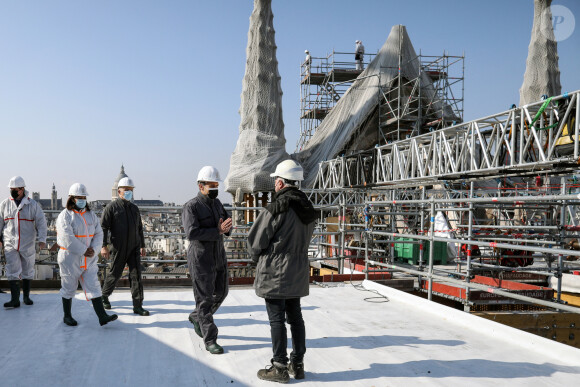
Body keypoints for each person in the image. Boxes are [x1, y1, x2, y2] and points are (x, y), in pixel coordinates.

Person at [247, 159, 318, 383]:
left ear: (280, 183)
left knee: (276, 319)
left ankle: (279, 367)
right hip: (297, 270)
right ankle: (298, 364)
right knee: (295, 317)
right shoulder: (308, 208)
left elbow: (256, 241)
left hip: (275, 271)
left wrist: (256, 260)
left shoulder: (277, 207)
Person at [182, 166, 232, 355]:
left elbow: (226, 224)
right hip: (201, 258)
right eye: (211, 185)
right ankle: (210, 339)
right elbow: (192, 232)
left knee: (221, 292)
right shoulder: (191, 206)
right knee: (204, 300)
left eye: (216, 184)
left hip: (218, 255)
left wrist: (226, 228)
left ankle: (196, 317)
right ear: (200, 186)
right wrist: (217, 231)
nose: (214, 188)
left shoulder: (218, 204)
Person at [56, 183, 117, 326]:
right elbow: (67, 238)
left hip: (88, 258)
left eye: (84, 197)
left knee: (94, 286)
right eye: (79, 197)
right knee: (68, 287)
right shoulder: (65, 216)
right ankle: (67, 316)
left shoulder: (91, 215)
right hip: (70, 258)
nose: (82, 200)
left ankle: (102, 316)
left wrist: (94, 250)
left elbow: (99, 233)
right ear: (72, 198)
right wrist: (84, 249)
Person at [100, 176, 149, 316]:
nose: (129, 192)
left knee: (136, 276)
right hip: (118, 246)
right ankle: (104, 296)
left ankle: (138, 305)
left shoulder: (134, 208)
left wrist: (142, 245)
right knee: (115, 273)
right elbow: (103, 227)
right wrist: (104, 246)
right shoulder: (111, 208)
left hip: (134, 246)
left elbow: (139, 228)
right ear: (119, 191)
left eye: (131, 190)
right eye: (126, 190)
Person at [0, 176, 47, 308]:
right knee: (12, 269)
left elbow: (41, 223)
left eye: (15, 189)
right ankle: (15, 299)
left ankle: (26, 297)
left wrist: (42, 239)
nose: (13, 191)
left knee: (27, 269)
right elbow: (0, 222)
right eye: (11, 189)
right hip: (10, 242)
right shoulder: (5, 204)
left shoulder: (32, 205)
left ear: (22, 189)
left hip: (27, 242)